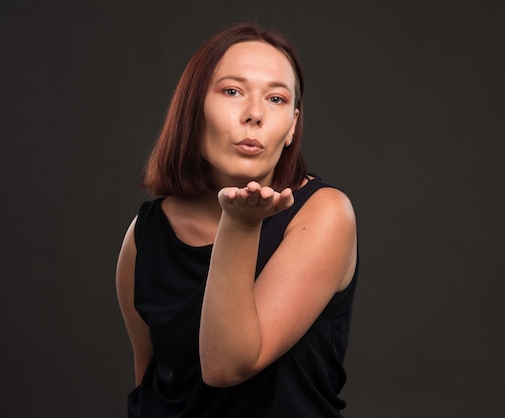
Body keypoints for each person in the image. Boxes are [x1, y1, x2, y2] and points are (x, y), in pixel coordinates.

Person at [115, 20, 359, 418]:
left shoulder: (323, 213)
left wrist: (242, 224)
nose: (255, 115)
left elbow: (227, 365)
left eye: (277, 99)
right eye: (232, 91)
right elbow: (151, 381)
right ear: (194, 110)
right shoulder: (145, 236)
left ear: (293, 126)